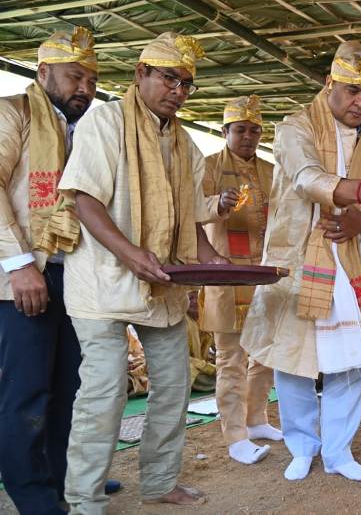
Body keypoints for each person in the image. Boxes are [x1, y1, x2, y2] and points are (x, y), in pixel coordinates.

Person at [58, 32, 228, 511]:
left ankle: (158, 482)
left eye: (186, 84)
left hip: (163, 286)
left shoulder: (185, 143)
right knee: (105, 393)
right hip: (101, 286)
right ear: (141, 74)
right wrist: (130, 253)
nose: (178, 91)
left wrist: (211, 258)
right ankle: (84, 500)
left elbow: (189, 216)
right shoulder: (106, 122)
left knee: (173, 387)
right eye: (169, 78)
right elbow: (84, 199)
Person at [240, 40, 361, 483]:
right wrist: (360, 192)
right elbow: (307, 178)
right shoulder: (295, 127)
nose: (360, 102)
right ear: (329, 83)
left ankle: (338, 452)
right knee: (294, 361)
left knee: (350, 359)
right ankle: (302, 447)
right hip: (298, 259)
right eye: (351, 91)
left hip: (349, 260)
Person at [0, 27, 100, 515]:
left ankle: (65, 480)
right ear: (43, 73)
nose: (85, 87)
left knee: (70, 390)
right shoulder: (12, 113)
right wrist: (19, 265)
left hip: (74, 276)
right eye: (74, 76)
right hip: (21, 276)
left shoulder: (87, 129)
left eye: (92, 80)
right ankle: (33, 495)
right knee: (27, 392)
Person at [199, 95, 281, 465]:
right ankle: (234, 436)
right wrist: (217, 203)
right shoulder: (208, 166)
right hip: (226, 275)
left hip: (265, 274)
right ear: (224, 132)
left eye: (254, 130)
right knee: (230, 359)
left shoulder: (271, 170)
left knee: (265, 354)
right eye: (240, 130)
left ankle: (256, 420)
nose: (248, 137)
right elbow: (190, 211)